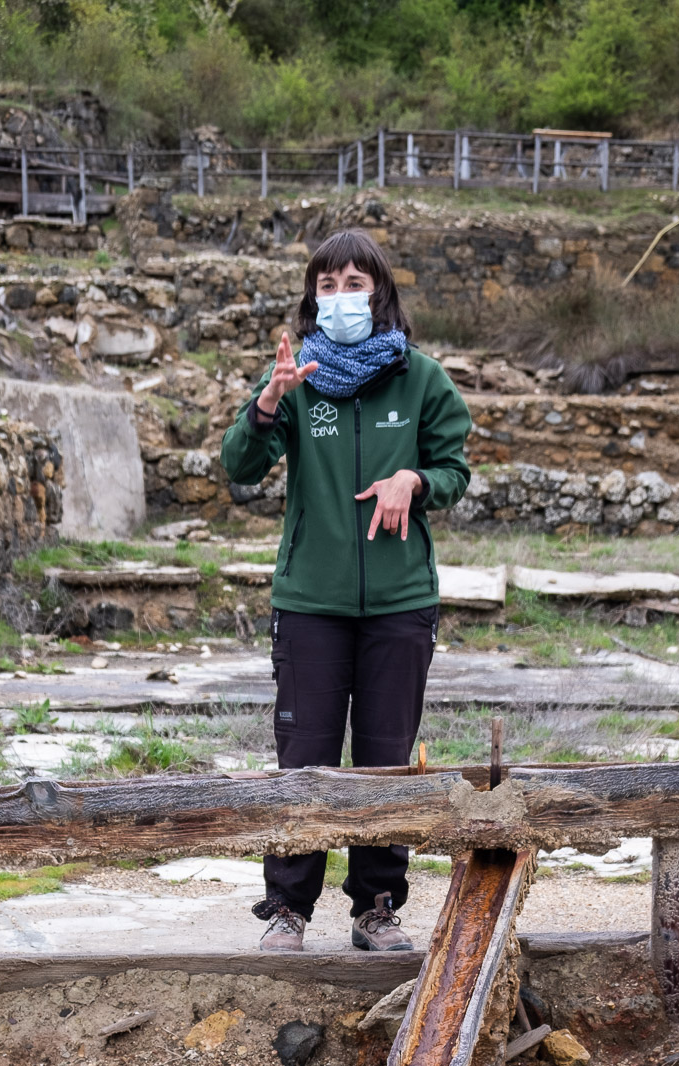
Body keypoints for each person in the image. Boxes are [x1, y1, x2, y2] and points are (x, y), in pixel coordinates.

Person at [220, 229, 472, 954]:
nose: (340, 298)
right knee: (305, 759)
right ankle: (289, 910)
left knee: (388, 758)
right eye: (327, 287)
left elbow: (453, 471)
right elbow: (240, 469)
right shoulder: (296, 379)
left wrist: (414, 480)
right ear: (311, 299)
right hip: (310, 604)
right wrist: (268, 400)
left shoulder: (422, 379)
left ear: (380, 294)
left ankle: (377, 909)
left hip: (398, 603)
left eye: (354, 284)